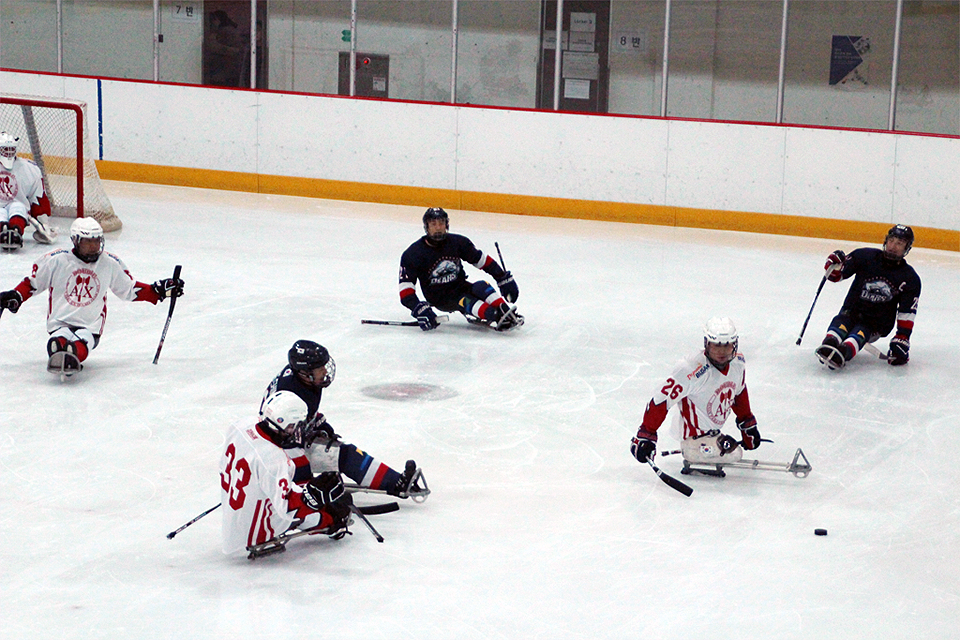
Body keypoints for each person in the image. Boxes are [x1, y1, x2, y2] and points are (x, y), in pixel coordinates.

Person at [0, 217, 184, 375]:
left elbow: (129, 289)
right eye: (88, 242)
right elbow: (33, 283)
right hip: (60, 321)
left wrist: (159, 290)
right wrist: (17, 295)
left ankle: (73, 353)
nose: (94, 246)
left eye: (97, 241)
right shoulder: (56, 259)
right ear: (75, 240)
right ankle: (60, 350)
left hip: (90, 325)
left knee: (81, 342)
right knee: (57, 342)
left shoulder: (109, 263)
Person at [262, 339, 430, 501]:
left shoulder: (302, 383)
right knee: (340, 455)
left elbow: (303, 418)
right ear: (305, 373)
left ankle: (395, 481)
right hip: (277, 454)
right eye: (320, 369)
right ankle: (394, 484)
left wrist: (321, 426)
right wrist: (309, 495)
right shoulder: (291, 394)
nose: (325, 372)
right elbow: (290, 446)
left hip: (285, 439)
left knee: (339, 450)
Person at [220, 390, 355, 555]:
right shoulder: (273, 460)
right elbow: (288, 510)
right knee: (329, 512)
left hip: (235, 508)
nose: (297, 431)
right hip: (253, 530)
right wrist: (313, 498)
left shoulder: (242, 425)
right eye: (294, 426)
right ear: (281, 423)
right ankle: (331, 522)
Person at [630, 317, 762, 473]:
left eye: (726, 346)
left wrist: (748, 425)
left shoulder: (738, 363)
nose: (721, 352)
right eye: (716, 346)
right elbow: (661, 400)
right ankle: (694, 451)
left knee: (732, 449)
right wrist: (646, 434)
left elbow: (738, 392)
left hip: (713, 433)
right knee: (734, 453)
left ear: (734, 344)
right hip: (692, 440)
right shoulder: (690, 369)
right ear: (707, 344)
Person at [815, 224, 921, 369]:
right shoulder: (865, 257)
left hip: (876, 323)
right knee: (842, 321)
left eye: (900, 243)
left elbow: (906, 313)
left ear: (906, 249)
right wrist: (834, 265)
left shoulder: (909, 278)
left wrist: (902, 338)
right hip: (851, 311)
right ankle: (829, 343)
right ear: (886, 240)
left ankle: (844, 352)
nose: (893, 246)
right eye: (891, 240)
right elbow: (836, 276)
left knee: (861, 331)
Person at [399, 207, 523, 331]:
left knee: (481, 286)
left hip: (460, 287)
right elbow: (406, 292)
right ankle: (495, 316)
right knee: (466, 301)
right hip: (440, 298)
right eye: (433, 224)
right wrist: (418, 309)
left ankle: (505, 311)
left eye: (441, 223)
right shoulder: (413, 253)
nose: (438, 228)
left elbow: (481, 260)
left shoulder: (458, 242)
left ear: (446, 224)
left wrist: (501, 277)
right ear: (426, 227)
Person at [0, 131, 57, 250]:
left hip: (18, 205)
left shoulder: (30, 168)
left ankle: (16, 231)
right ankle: (3, 230)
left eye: (11, 148)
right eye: (5, 149)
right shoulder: (30, 168)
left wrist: (43, 222)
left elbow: (38, 197)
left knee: (19, 207)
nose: (8, 152)